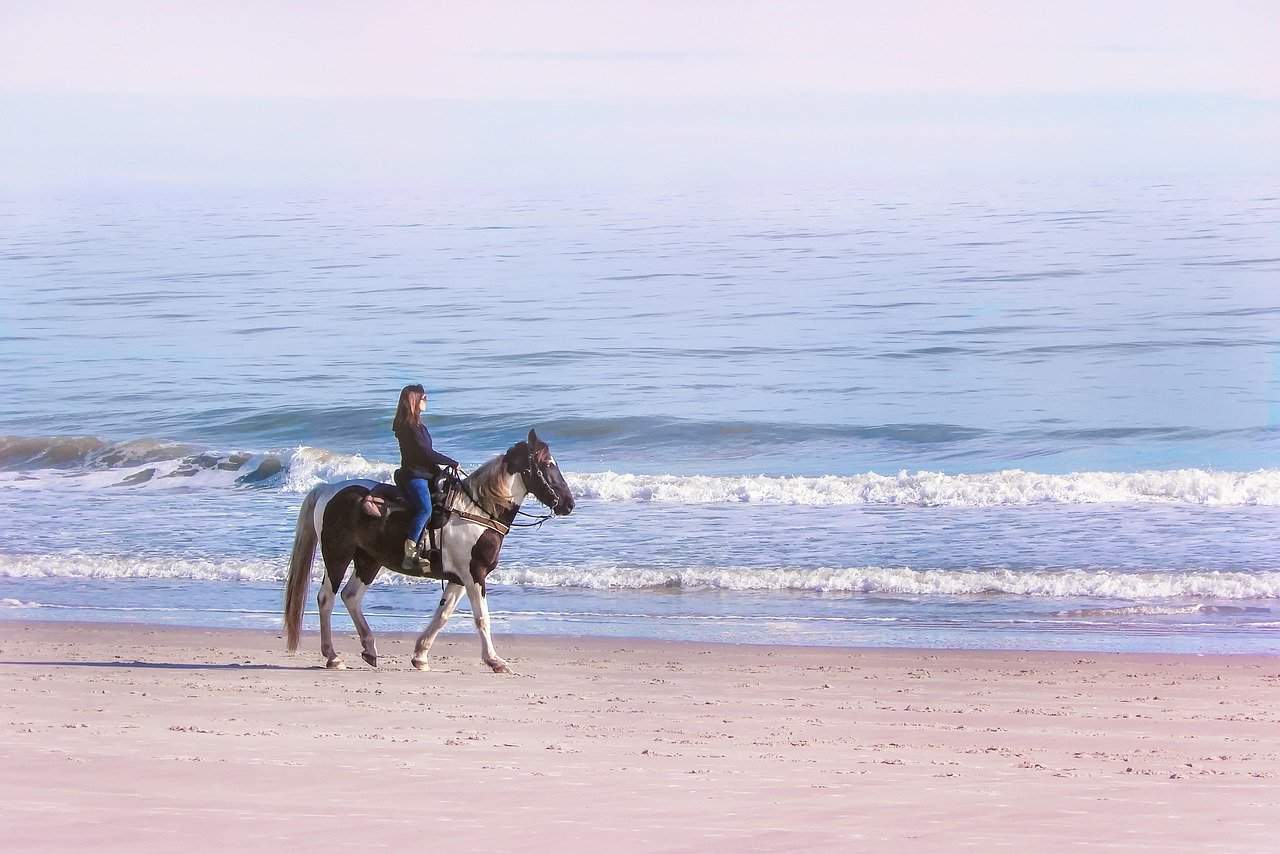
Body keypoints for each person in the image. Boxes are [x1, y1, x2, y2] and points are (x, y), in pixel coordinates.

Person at [392, 384, 459, 570]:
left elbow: (426, 454)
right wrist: (450, 462)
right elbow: (425, 453)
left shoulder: (419, 426)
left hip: (426, 473)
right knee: (425, 509)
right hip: (415, 476)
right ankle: (410, 550)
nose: (426, 401)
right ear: (414, 401)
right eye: (424, 398)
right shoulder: (409, 427)